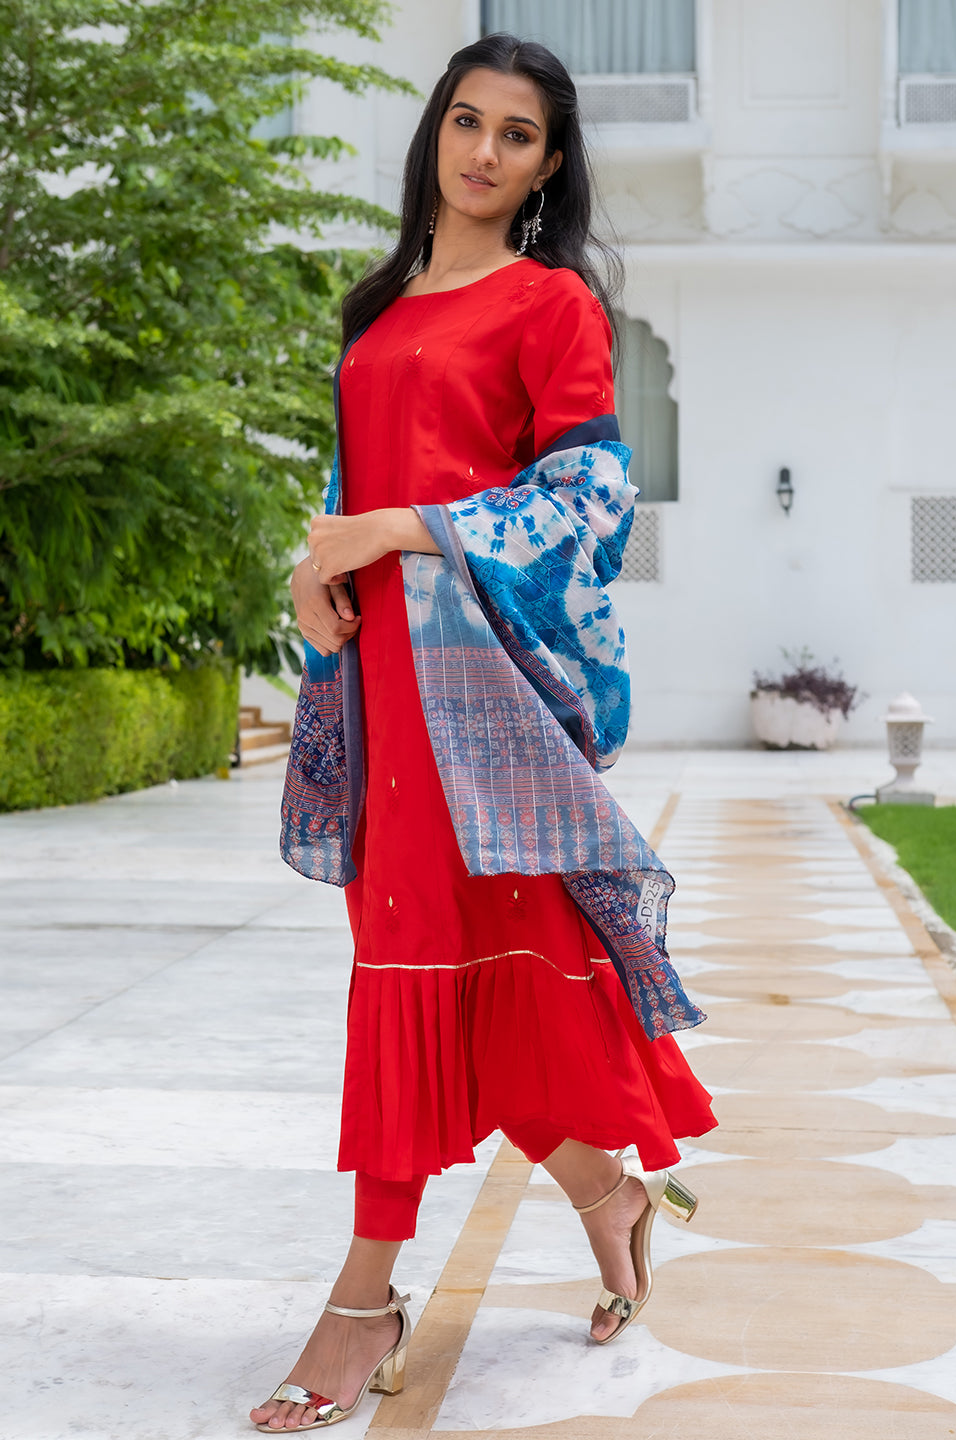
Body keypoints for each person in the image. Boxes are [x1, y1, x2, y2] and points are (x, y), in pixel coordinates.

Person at [253, 32, 716, 1434]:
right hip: (381, 687)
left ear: (549, 163)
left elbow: (589, 498)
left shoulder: (551, 305)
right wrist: (312, 567)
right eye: (467, 121)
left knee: (511, 980)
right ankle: (607, 1202)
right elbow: (353, 477)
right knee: (414, 969)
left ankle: (364, 1298)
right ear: (435, 133)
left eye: (519, 134)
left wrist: (408, 528)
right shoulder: (379, 308)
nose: (484, 152)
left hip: (486, 704)